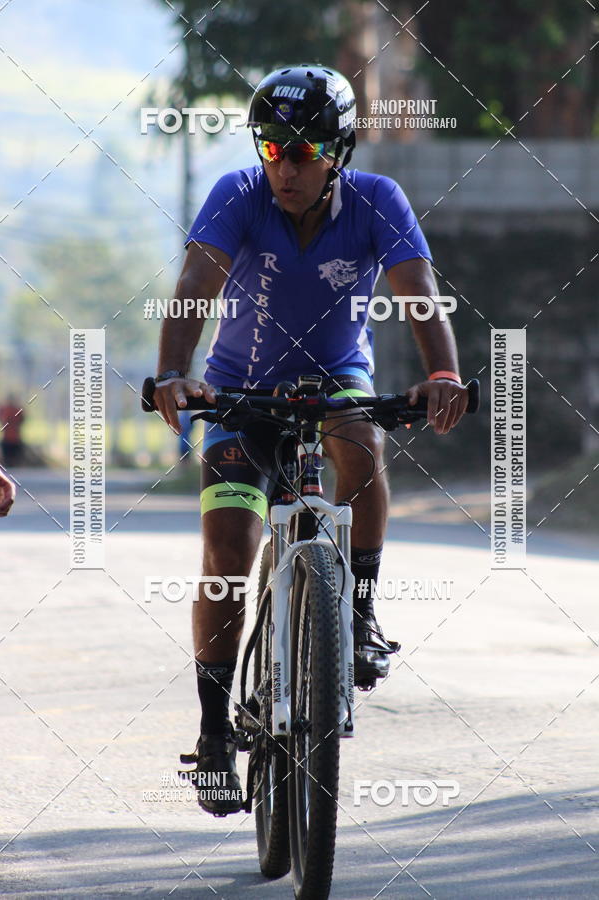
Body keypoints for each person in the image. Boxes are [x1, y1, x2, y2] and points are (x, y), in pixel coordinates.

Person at [153, 64, 470, 815]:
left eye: (302, 152)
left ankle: (357, 611)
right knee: (228, 551)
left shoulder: (377, 201)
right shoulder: (238, 194)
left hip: (336, 380)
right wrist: (172, 372)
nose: (285, 169)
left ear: (339, 151)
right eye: (271, 150)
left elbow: (419, 294)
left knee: (363, 445)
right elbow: (196, 284)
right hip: (238, 390)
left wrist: (443, 374)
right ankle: (213, 733)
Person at [0, 395, 26, 467]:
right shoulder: (15, 410)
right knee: (12, 459)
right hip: (12, 438)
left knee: (9, 460)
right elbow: (22, 419)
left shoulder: (5, 409)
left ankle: (10, 465)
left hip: (11, 439)